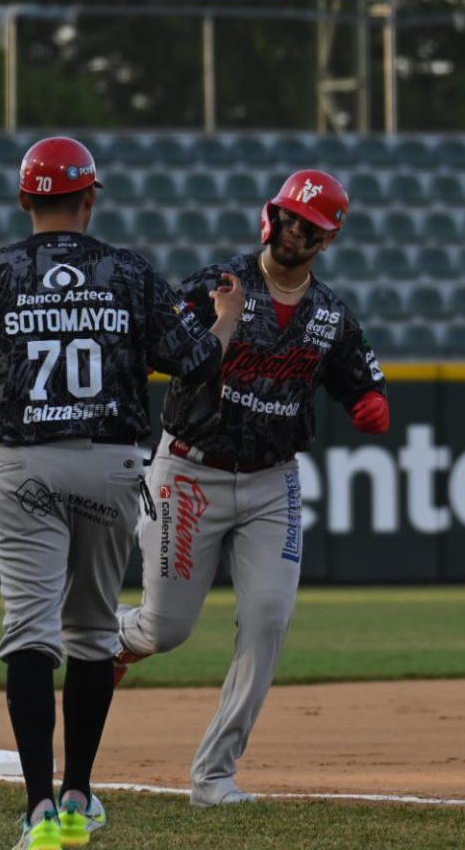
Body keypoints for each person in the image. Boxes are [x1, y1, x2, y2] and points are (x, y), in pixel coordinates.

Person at [0, 137, 243, 850]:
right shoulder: (127, 271)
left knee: (28, 631)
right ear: (91, 196)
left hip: (24, 464)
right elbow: (191, 361)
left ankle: (36, 810)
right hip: (110, 463)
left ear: (25, 200)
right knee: (93, 632)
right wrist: (229, 315)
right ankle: (78, 796)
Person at [115, 170, 390, 808]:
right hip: (189, 468)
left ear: (327, 238)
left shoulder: (330, 313)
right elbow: (161, 347)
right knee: (166, 628)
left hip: (273, 480)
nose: (297, 231)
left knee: (269, 617)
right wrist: (219, 324)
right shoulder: (220, 285)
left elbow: (361, 378)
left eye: (311, 226)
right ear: (272, 217)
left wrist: (371, 400)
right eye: (291, 218)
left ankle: (215, 775)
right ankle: (112, 641)